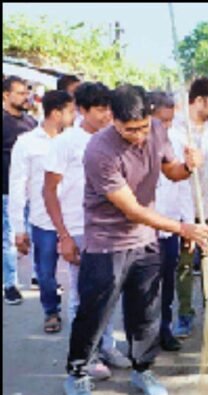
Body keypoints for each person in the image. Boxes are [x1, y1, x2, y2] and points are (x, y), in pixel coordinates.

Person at [63, 84, 208, 395]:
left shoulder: (156, 129)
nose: (140, 136)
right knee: (95, 313)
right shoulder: (99, 150)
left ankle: (142, 369)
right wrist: (182, 228)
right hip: (107, 243)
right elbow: (131, 209)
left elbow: (171, 171)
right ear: (113, 119)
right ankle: (77, 372)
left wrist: (188, 166)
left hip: (146, 240)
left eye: (143, 126)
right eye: (130, 130)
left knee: (146, 311)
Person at [43, 82, 129, 377]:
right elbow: (49, 191)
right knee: (82, 296)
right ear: (82, 110)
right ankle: (86, 356)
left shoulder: (114, 138)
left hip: (109, 228)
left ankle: (107, 346)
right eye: (100, 109)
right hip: (78, 228)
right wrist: (64, 235)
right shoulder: (66, 143)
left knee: (110, 292)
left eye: (109, 109)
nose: (107, 115)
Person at [9, 90, 76, 333]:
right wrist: (18, 228)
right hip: (43, 220)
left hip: (74, 219)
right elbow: (17, 185)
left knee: (82, 271)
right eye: (70, 111)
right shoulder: (26, 143)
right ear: (56, 113)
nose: (74, 116)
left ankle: (83, 315)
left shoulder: (74, 140)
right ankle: (51, 310)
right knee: (45, 273)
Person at [169, 78, 208, 340]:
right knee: (183, 263)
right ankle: (184, 314)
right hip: (184, 210)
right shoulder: (175, 131)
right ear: (200, 100)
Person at [148, 92, 192, 352]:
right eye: (161, 121)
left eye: (169, 121)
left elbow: (184, 185)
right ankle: (143, 337)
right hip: (143, 228)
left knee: (167, 281)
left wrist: (188, 223)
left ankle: (164, 329)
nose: (165, 126)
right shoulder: (136, 142)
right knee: (144, 286)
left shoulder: (177, 141)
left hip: (171, 224)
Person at [3, 76, 37, 305]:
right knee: (8, 239)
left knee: (35, 234)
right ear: (6, 95)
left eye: (26, 93)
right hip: (6, 190)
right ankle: (10, 284)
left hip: (31, 191)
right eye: (20, 93)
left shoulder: (31, 123)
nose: (26, 97)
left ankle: (39, 276)